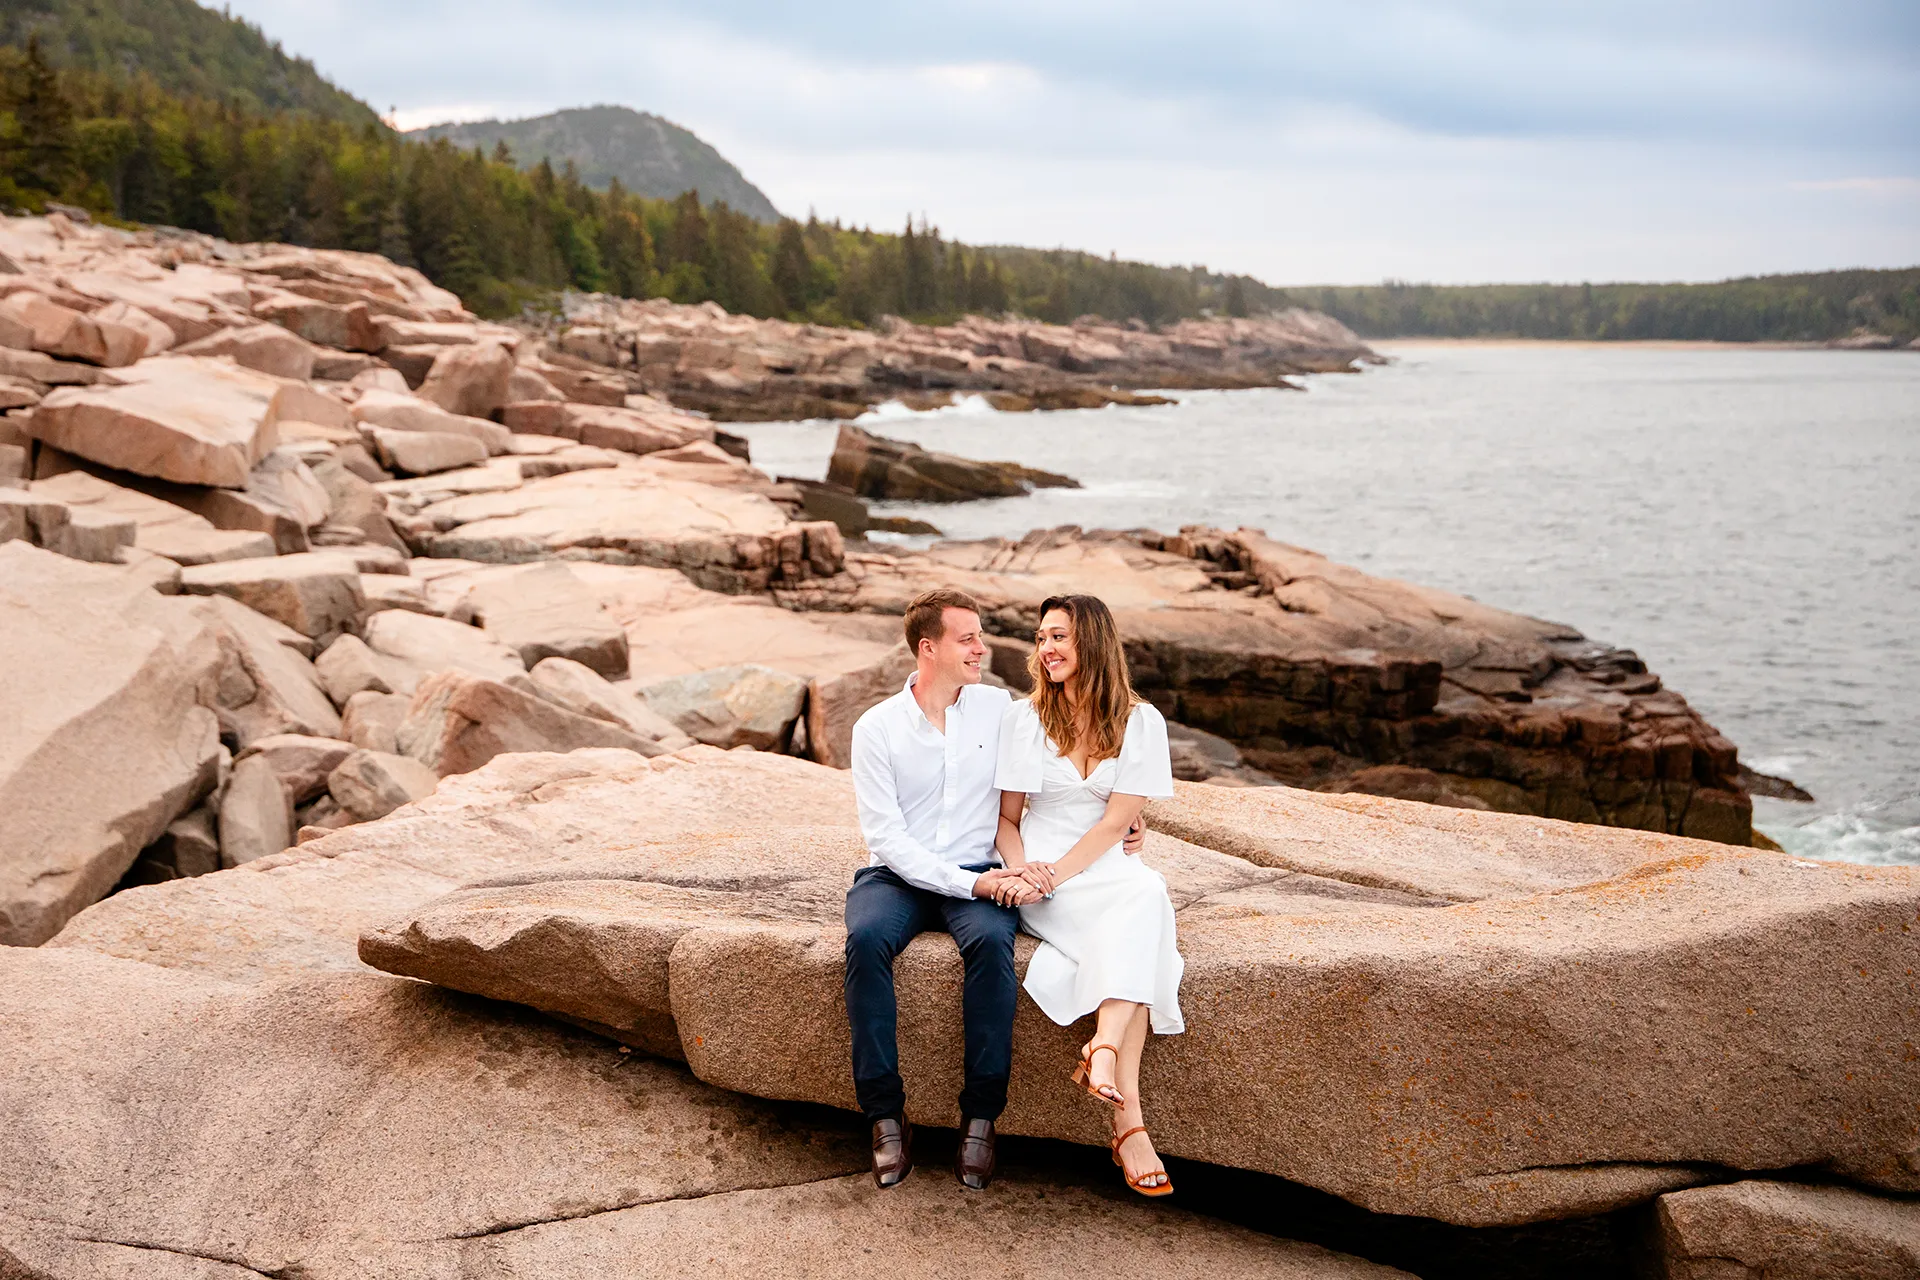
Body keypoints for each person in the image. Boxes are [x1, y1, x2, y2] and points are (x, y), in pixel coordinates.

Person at [845, 587, 1142, 1192]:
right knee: (866, 941)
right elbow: (888, 839)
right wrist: (974, 882)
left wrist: (1128, 819)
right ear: (929, 649)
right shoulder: (875, 728)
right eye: (969, 639)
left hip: (983, 873)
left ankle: (981, 1118)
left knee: (991, 951)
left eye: (980, 636)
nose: (984, 648)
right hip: (903, 877)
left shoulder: (1000, 709)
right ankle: (884, 1116)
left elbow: (1057, 769)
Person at [992, 593, 1183, 1197]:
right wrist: (1027, 875)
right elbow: (1007, 821)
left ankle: (1105, 1052)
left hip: (1099, 865)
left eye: (1058, 638)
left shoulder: (1140, 721)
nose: (1045, 650)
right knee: (1144, 924)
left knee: (1145, 893)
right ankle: (1128, 1122)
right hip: (1041, 872)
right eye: (1042, 638)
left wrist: (1060, 873)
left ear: (1092, 644)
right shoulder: (1025, 719)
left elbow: (1114, 823)